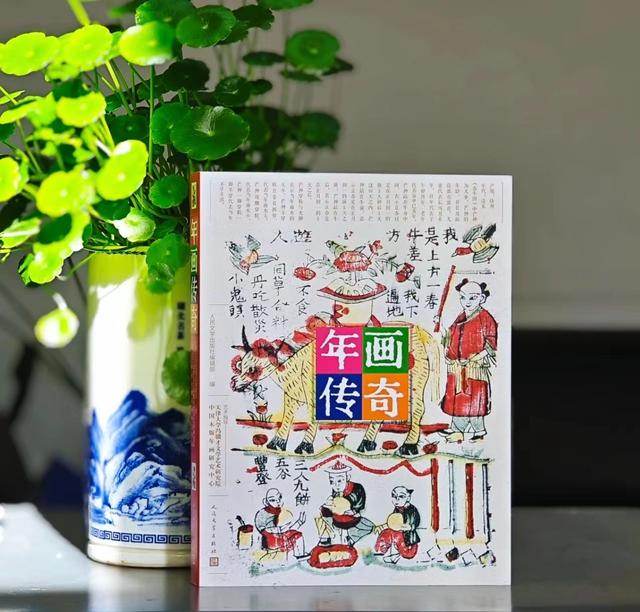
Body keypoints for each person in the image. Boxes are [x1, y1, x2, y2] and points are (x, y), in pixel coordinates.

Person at [438, 279, 498, 443]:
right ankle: (457, 429)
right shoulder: (461, 316)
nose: (467, 302)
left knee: (475, 399)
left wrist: (474, 358)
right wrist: (441, 327)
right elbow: (450, 336)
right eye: (463, 297)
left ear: (482, 298)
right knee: (458, 398)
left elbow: (491, 345)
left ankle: (479, 431)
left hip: (475, 367)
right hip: (458, 366)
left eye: (472, 298)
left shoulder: (486, 318)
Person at [315, 460, 374, 547]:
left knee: (369, 526)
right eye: (332, 482)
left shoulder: (357, 488)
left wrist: (354, 511)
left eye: (339, 481)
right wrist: (328, 505)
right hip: (337, 520)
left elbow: (360, 503)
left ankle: (351, 538)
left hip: (352, 519)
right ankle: (325, 537)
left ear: (347, 477)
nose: (336, 485)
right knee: (321, 512)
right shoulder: (336, 491)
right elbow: (333, 507)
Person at [254, 488, 307, 558]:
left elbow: (288, 529)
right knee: (295, 535)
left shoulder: (283, 512)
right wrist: (280, 529)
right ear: (266, 502)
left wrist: (299, 523)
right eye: (273, 500)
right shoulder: (262, 514)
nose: (277, 501)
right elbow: (264, 529)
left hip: (281, 537)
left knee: (297, 534)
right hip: (271, 541)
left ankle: (300, 555)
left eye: (279, 498)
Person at [374, 486, 421, 564]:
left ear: (408, 498)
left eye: (401, 496)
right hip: (398, 534)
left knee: (407, 553)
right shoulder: (397, 509)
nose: (397, 499)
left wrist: (409, 527)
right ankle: (381, 549)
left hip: (408, 538)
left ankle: (397, 554)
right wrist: (383, 526)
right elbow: (392, 522)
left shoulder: (412, 510)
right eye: (394, 496)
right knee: (386, 532)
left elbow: (415, 522)